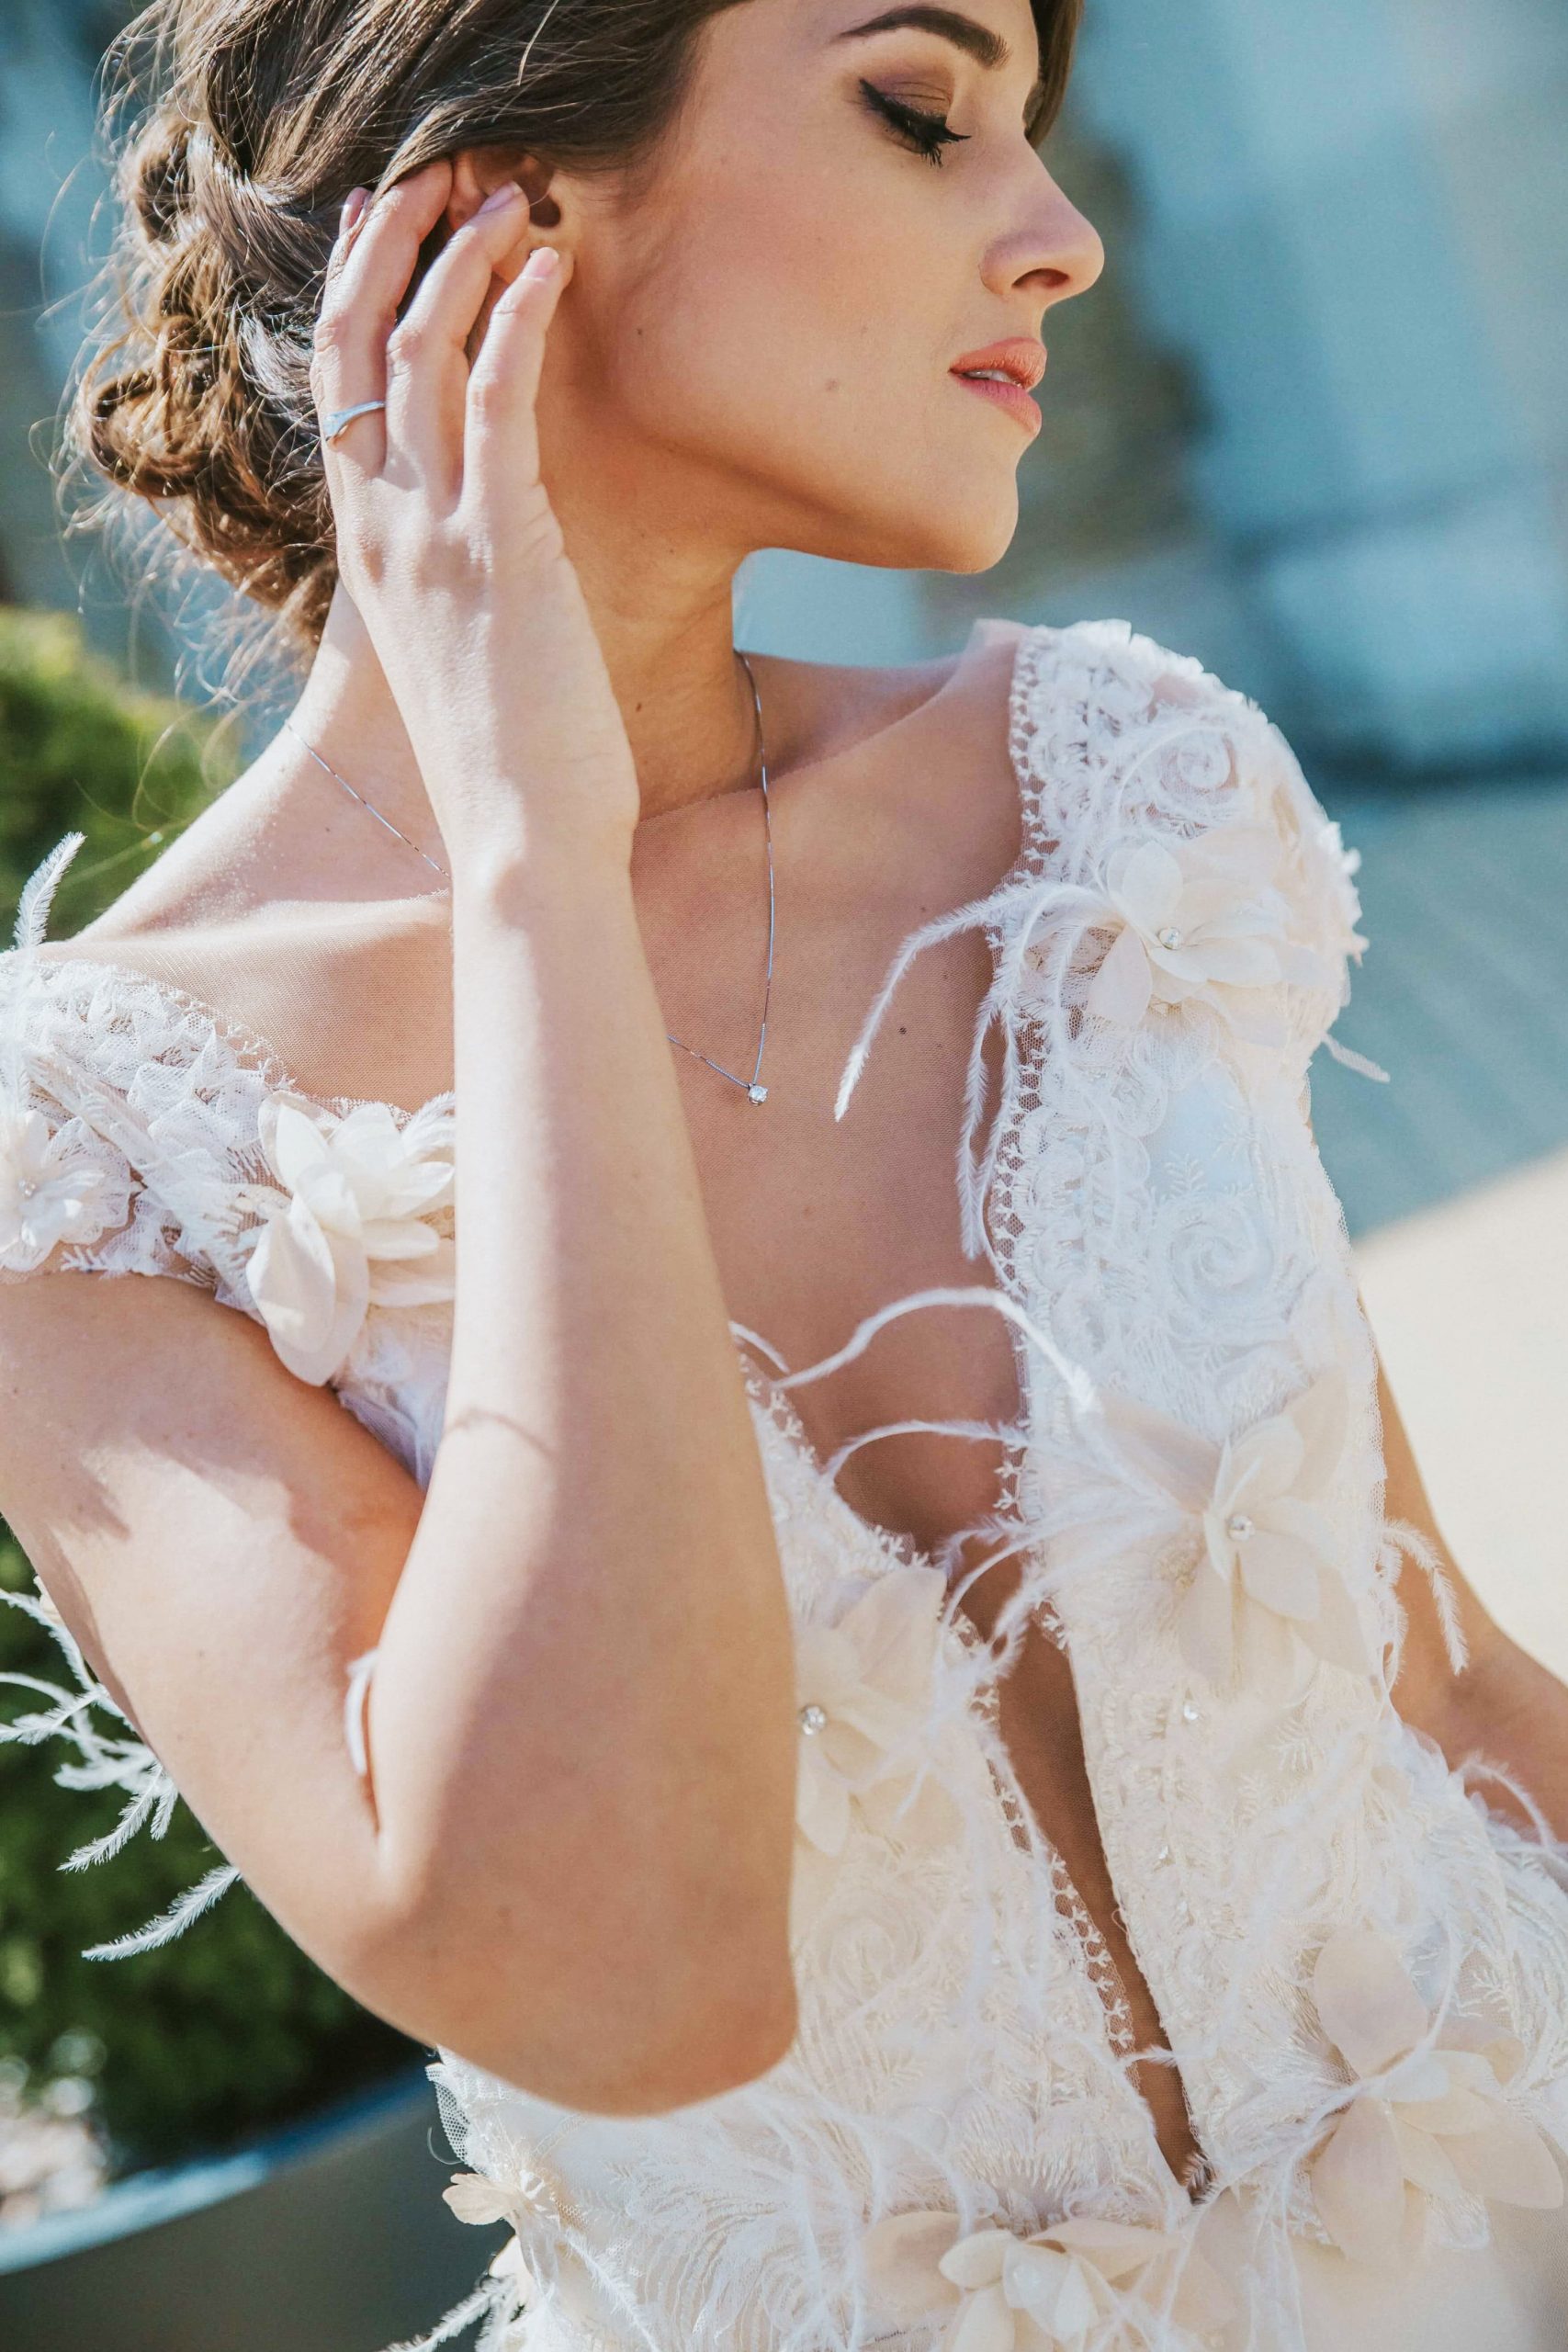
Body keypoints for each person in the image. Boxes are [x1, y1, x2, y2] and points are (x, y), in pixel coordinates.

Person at [1, 3, 1564, 2346]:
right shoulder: (93, 1152)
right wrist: (533, 855)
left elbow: (1434, 1675)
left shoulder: (1109, 795)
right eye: (920, 112)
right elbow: (630, 1977)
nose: (1058, 237)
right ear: (495, 213)